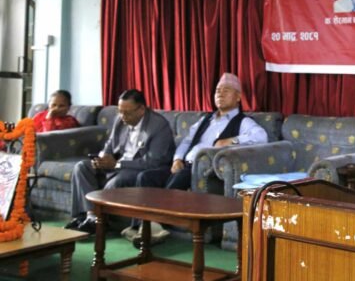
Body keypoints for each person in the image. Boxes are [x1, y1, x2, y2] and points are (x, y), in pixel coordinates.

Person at [65, 89, 175, 234]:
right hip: (118, 164)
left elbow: (153, 162)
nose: (122, 116)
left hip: (138, 168)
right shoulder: (120, 120)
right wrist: (102, 158)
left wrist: (117, 164)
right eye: (120, 111)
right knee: (81, 167)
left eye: (127, 113)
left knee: (117, 182)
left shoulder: (158, 126)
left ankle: (100, 220)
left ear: (141, 109)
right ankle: (89, 217)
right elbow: (110, 144)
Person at [138, 73, 268, 192]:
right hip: (183, 165)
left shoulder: (242, 121)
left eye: (226, 90)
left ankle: (162, 209)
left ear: (238, 97)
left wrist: (232, 140)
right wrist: (177, 159)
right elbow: (187, 141)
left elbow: (261, 136)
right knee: (145, 177)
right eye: (217, 91)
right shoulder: (205, 119)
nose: (220, 94)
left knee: (176, 182)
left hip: (201, 170)